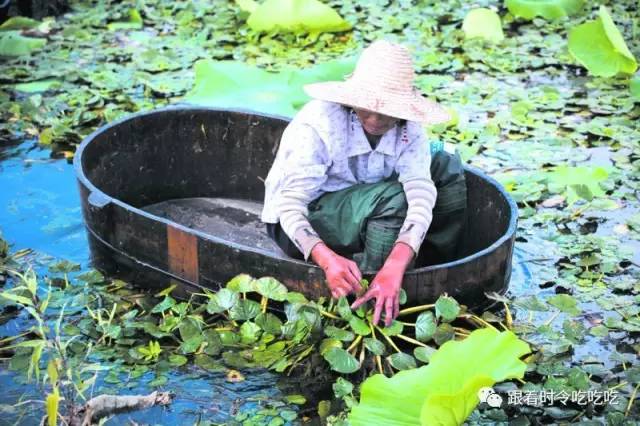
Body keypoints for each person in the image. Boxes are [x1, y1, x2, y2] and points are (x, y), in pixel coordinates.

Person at [261, 40, 467, 326]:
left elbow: (421, 191)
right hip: (303, 220)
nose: (375, 117)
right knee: (394, 199)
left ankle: (418, 268)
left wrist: (397, 263)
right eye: (367, 106)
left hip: (364, 199)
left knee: (445, 161)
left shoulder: (409, 127)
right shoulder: (319, 124)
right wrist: (327, 261)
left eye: (386, 110)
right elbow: (290, 207)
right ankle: (370, 293)